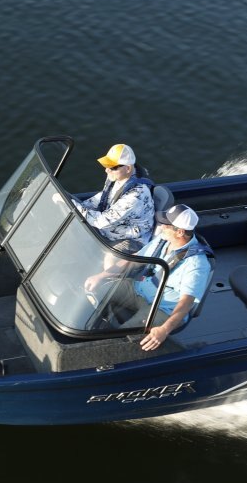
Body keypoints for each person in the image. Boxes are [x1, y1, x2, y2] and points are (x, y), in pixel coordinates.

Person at [84, 204, 212, 351]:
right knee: (93, 292)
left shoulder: (197, 264)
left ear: (180, 232)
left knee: (119, 339)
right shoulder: (163, 239)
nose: (161, 227)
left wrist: (164, 330)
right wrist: (102, 276)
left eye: (166, 225)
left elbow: (186, 304)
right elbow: (134, 259)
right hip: (137, 289)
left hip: (162, 308)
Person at [74, 143, 156, 251]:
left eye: (112, 167)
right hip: (110, 229)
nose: (107, 170)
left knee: (108, 259)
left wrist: (74, 207)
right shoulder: (117, 176)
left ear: (128, 168)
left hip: (133, 240)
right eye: (107, 165)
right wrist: (80, 205)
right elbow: (103, 197)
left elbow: (101, 221)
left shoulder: (136, 196)